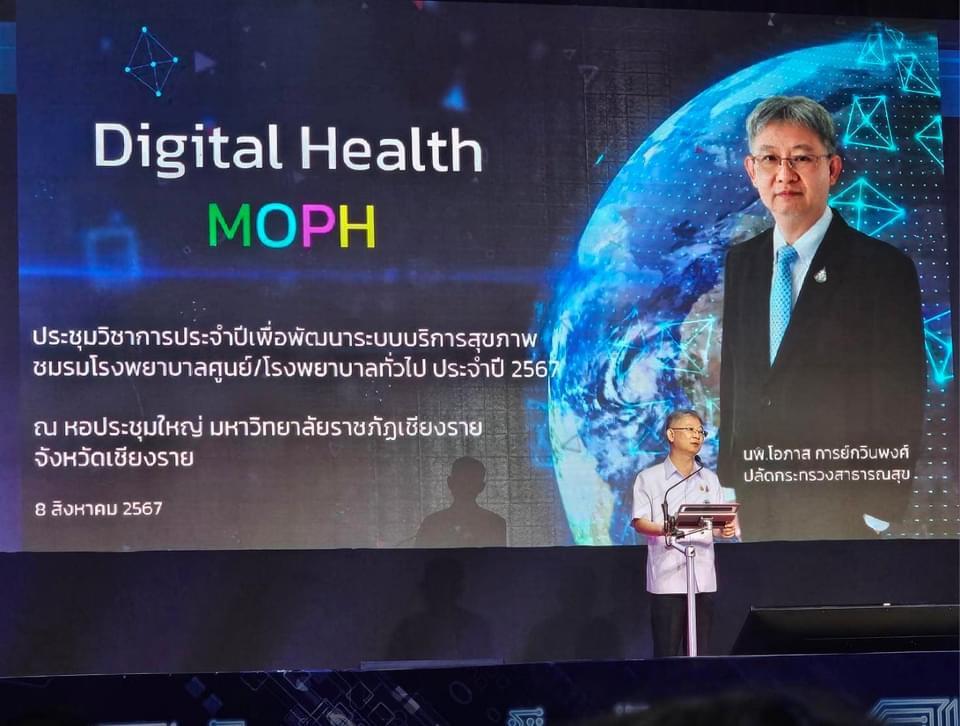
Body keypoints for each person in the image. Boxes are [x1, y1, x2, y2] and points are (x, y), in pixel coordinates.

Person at [718, 96, 925, 541]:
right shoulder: (742, 262)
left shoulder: (883, 268)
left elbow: (902, 392)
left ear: (831, 169)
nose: (784, 174)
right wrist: (728, 481)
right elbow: (736, 378)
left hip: (841, 504)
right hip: (756, 497)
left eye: (801, 158)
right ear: (752, 170)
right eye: (770, 159)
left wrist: (881, 506)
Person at [632, 409, 737, 657]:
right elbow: (639, 521)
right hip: (668, 578)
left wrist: (724, 529)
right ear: (671, 435)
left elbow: (717, 525)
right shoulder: (649, 478)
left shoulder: (710, 479)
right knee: (667, 654)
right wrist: (666, 528)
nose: (697, 435)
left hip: (703, 577)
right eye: (690, 429)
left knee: (700, 653)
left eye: (701, 431)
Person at [415, 456, 507, 547]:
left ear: (481, 487)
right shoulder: (431, 523)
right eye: (462, 482)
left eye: (471, 482)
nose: (466, 488)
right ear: (450, 483)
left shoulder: (432, 522)